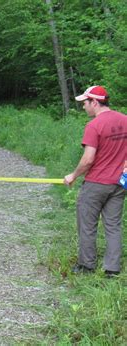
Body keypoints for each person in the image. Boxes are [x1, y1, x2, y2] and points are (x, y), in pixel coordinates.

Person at [64, 85, 127, 278]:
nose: (83, 107)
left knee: (87, 224)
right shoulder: (124, 120)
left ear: (95, 102)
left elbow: (88, 159)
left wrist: (73, 176)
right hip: (119, 183)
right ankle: (112, 269)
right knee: (113, 225)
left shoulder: (94, 125)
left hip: (96, 183)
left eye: (85, 103)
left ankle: (86, 265)